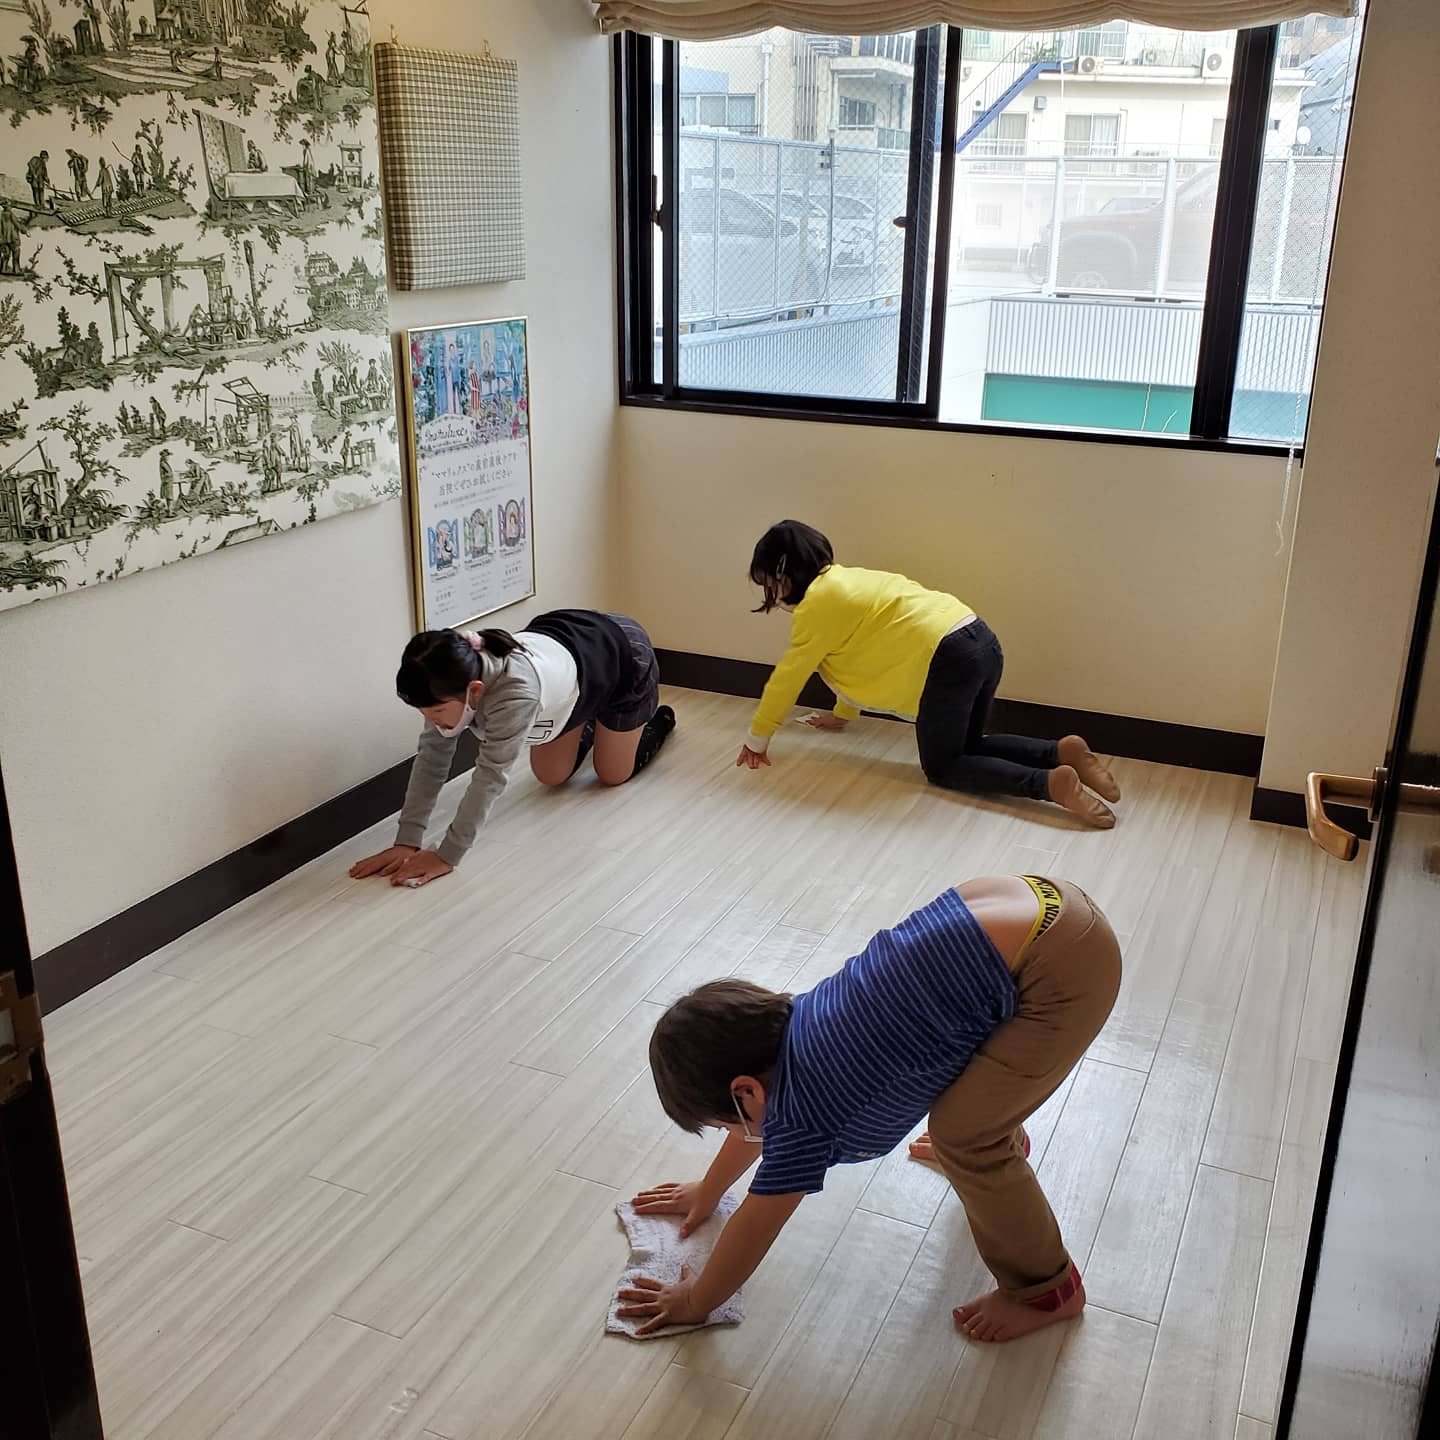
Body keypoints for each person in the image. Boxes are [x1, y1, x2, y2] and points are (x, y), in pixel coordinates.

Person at [620, 873, 1121, 1344]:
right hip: (1025, 903)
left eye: (727, 1123)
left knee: (966, 1138)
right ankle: (997, 1129)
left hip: (1062, 970)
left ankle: (1048, 1293)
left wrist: (696, 1300)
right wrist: (710, 1189)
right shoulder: (795, 1023)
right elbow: (761, 1125)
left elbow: (755, 1224)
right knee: (966, 1092)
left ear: (747, 1092)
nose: (742, 1134)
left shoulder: (804, 1113)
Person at [736, 521, 1120, 828]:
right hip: (979, 637)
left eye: (768, 583)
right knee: (968, 745)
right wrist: (842, 715)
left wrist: (757, 740)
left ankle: (1049, 784)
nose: (771, 593)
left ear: (782, 575)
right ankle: (1059, 752)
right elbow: (856, 657)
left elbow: (789, 677)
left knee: (944, 766)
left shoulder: (816, 607)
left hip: (949, 657)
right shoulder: (852, 580)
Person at [350, 616, 678, 889]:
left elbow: (489, 777)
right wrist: (407, 840)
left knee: (612, 774)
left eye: (435, 713)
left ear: (474, 691)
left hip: (622, 654)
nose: (431, 721)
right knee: (551, 775)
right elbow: (432, 759)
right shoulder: (447, 681)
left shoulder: (515, 695)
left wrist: (447, 855)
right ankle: (594, 718)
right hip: (576, 667)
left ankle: (655, 720)